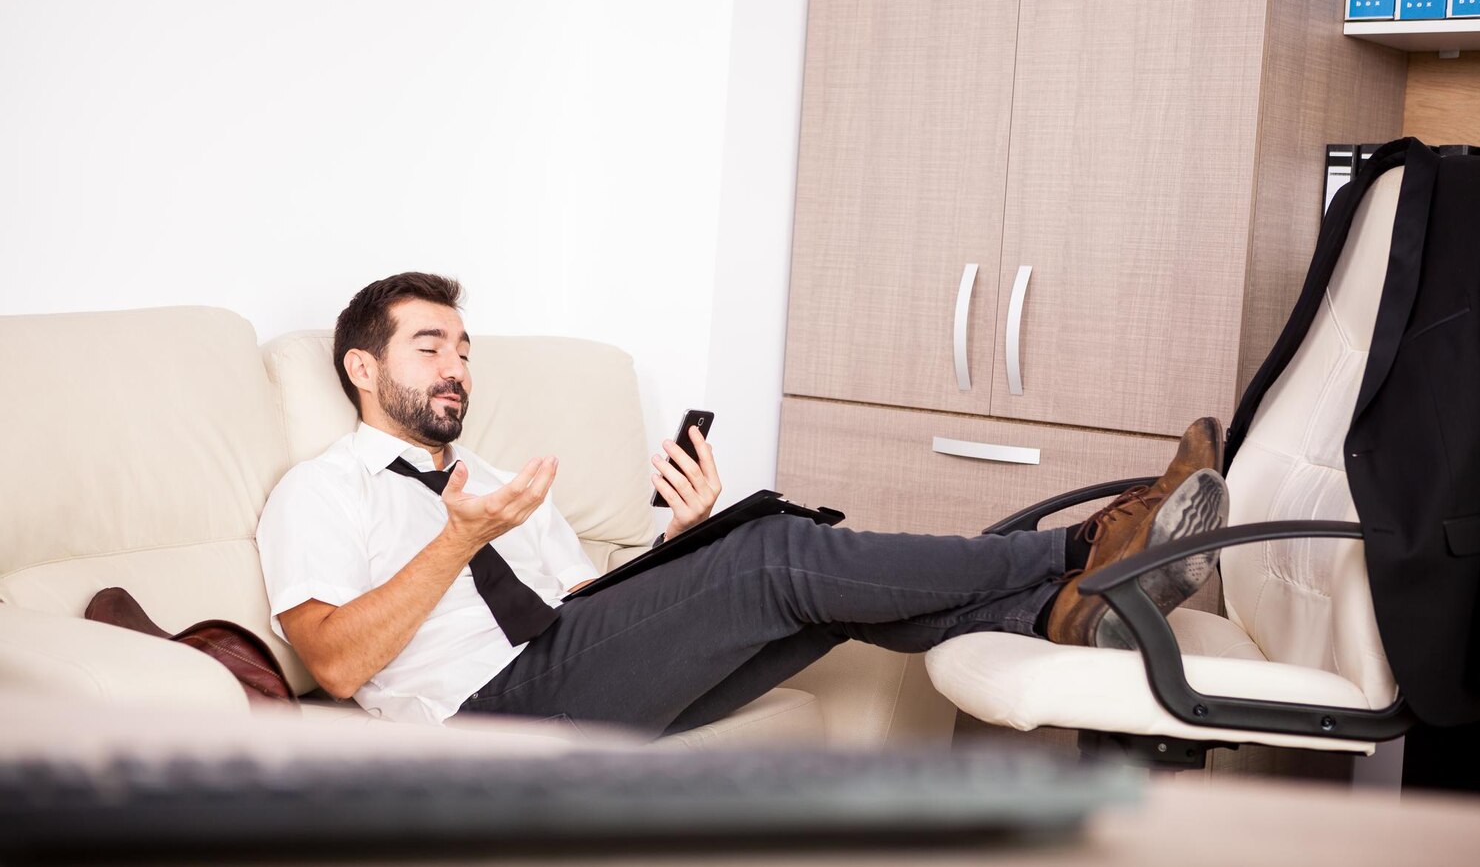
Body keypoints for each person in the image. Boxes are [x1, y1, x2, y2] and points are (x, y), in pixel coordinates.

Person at [256, 272, 1226, 734]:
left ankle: (1055, 608)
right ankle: (1080, 555)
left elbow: (593, 606)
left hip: (575, 661)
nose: (456, 366)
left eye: (464, 348)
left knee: (777, 545)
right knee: (770, 555)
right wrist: (455, 538)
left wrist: (681, 545)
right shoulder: (320, 491)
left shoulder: (505, 481)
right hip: (482, 711)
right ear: (360, 365)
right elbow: (335, 661)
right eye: (430, 346)